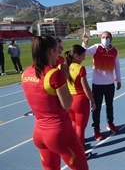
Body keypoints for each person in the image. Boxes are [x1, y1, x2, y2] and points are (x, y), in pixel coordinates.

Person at [21, 36, 88, 170]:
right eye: (58, 49)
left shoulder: (25, 73)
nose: (60, 52)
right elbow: (67, 105)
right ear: (51, 51)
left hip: (39, 133)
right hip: (59, 133)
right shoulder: (54, 75)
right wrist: (64, 79)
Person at [82, 31, 121, 141]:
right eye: (103, 37)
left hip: (109, 84)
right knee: (96, 108)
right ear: (100, 39)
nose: (105, 39)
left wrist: (119, 80)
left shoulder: (114, 51)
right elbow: (84, 52)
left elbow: (117, 66)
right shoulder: (96, 47)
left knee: (110, 105)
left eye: (107, 37)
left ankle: (110, 123)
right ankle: (97, 129)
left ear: (111, 38)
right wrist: (85, 43)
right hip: (97, 84)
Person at [65, 45, 96, 158]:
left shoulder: (65, 66)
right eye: (83, 56)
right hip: (80, 101)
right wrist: (93, 101)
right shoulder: (80, 69)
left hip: (69, 100)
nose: (84, 58)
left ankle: (73, 146)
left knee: (74, 124)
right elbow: (86, 88)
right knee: (80, 127)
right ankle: (79, 152)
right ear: (76, 56)